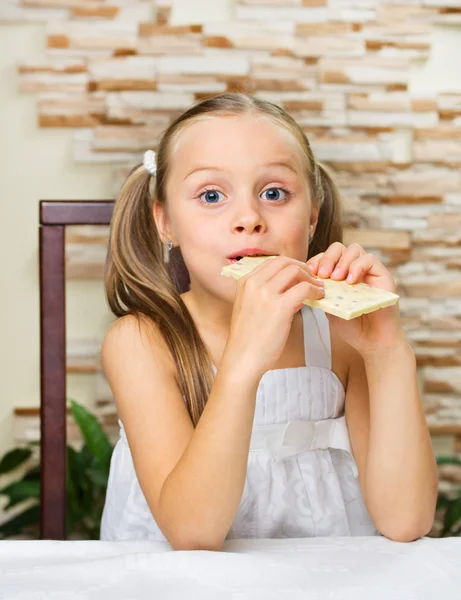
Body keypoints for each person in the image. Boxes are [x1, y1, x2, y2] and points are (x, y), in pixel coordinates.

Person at [99, 93, 438, 549]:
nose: (249, 219)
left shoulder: (341, 340)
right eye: (212, 195)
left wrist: (388, 352)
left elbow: (407, 520)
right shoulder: (141, 341)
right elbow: (193, 532)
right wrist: (244, 360)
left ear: (313, 215)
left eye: (274, 193)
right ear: (166, 223)